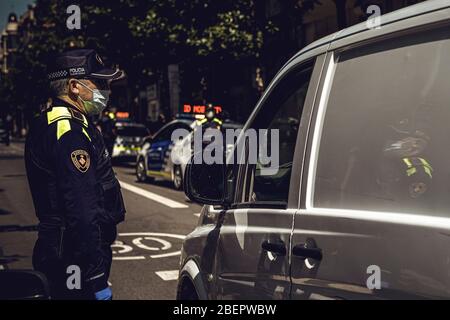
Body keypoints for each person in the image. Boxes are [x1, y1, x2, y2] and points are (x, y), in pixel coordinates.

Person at [25, 49, 126, 300]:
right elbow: (81, 210)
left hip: (64, 251)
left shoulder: (58, 122)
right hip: (71, 256)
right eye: (100, 83)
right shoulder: (69, 134)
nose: (106, 90)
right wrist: (95, 276)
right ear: (74, 87)